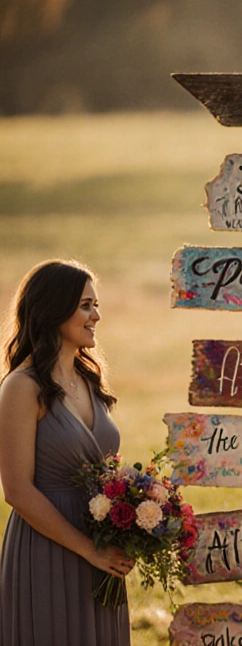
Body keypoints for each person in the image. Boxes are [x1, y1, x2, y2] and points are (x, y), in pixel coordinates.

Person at [0, 260, 133, 646]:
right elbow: (17, 491)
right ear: (54, 310)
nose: (97, 316)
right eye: (86, 306)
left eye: (96, 305)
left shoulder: (89, 380)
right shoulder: (22, 388)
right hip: (48, 549)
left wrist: (136, 518)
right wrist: (89, 550)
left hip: (101, 550)